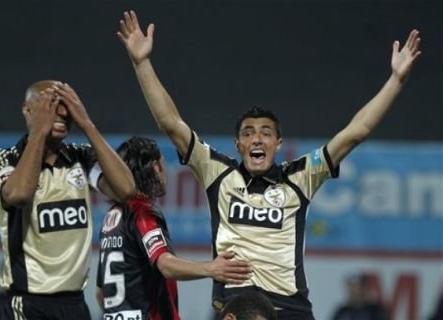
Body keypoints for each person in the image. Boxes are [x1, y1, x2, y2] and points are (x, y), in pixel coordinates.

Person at [117, 10, 421, 320]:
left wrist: (396, 80)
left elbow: (356, 132)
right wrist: (141, 63)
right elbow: (171, 123)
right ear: (238, 145)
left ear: (278, 144)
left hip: (290, 310)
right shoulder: (218, 173)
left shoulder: (300, 177)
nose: (257, 139)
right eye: (248, 134)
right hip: (237, 306)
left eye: (266, 133)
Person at [0, 80, 136, 319]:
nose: (62, 112)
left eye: (66, 104)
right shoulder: (4, 160)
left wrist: (86, 123)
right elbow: (19, 194)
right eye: (50, 104)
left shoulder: (80, 158)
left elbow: (125, 190)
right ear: (27, 109)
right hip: (28, 304)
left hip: (75, 305)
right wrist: (39, 133)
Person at [96, 136, 252, 320]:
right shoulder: (142, 211)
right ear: (156, 167)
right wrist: (211, 269)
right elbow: (165, 264)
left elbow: (100, 293)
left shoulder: (111, 217)